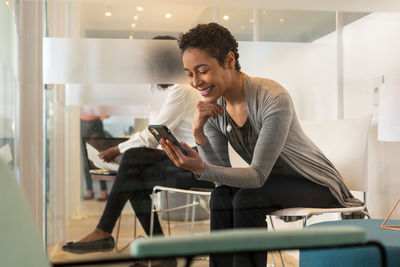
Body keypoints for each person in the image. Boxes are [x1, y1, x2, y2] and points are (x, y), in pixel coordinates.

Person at [160, 23, 364, 267]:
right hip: (271, 184)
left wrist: (201, 168)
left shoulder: (272, 98)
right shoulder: (214, 110)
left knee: (247, 199)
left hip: (316, 184)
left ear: (229, 60)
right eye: (189, 74)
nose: (195, 82)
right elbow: (222, 180)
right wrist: (199, 134)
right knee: (221, 197)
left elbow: (256, 176)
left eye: (202, 71)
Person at [62, 36, 214, 257]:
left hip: (198, 163)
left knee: (132, 174)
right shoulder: (184, 88)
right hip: (189, 156)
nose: (150, 72)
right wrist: (124, 149)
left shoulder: (182, 89)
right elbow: (160, 135)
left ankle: (109, 233)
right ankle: (127, 240)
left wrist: (118, 149)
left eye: (152, 66)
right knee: (132, 170)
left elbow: (154, 134)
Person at [80, 115, 109, 201]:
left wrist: (100, 115)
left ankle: (103, 191)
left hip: (95, 122)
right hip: (82, 122)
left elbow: (107, 114)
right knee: (86, 162)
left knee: (99, 160)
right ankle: (89, 190)